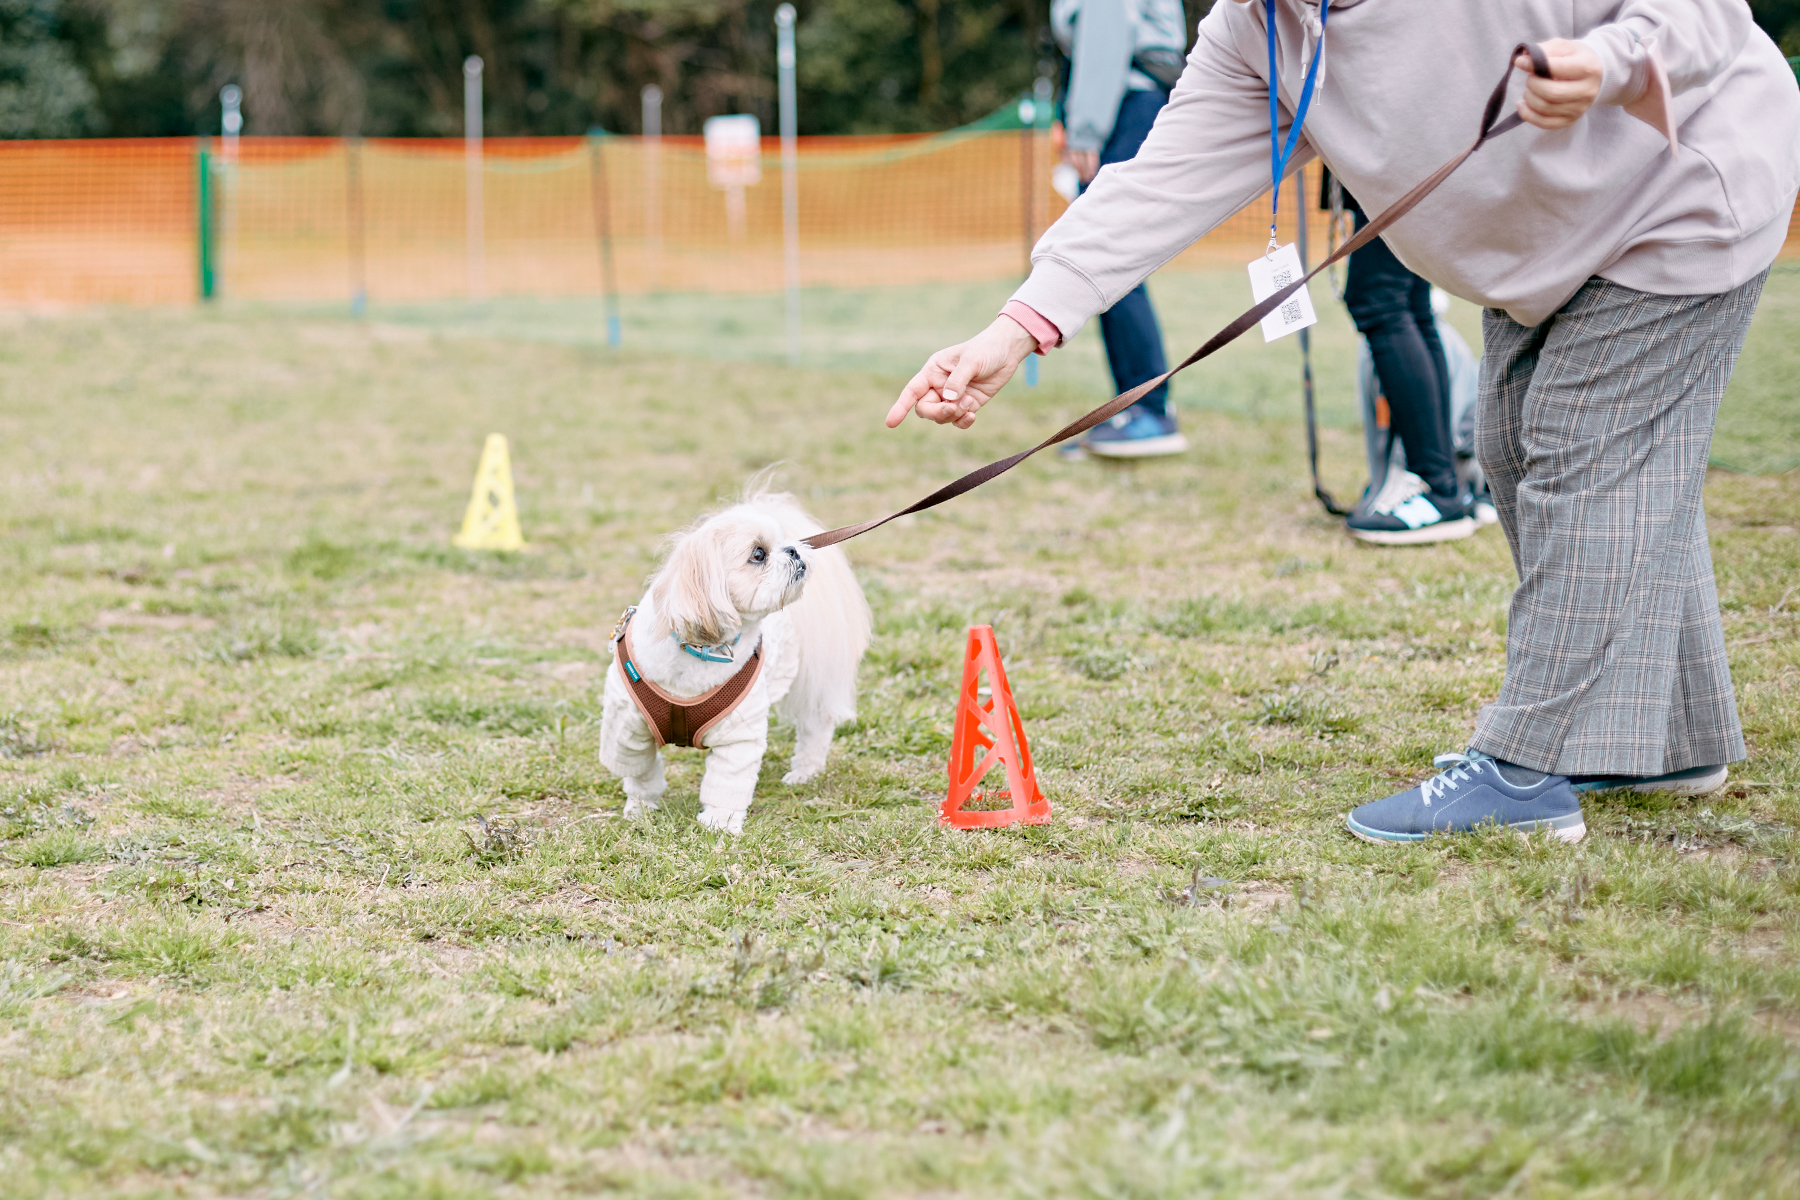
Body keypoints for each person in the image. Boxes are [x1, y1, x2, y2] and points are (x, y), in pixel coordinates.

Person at [886, 1, 1800, 844]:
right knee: (1519, 446)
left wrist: (1612, 61)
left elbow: (1707, 13)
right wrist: (1017, 329)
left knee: (1587, 451)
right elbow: (1153, 186)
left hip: (1686, 188)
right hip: (1545, 247)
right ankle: (1674, 737)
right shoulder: (1256, 29)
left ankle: (1528, 771)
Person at [1051, 0, 1192, 458]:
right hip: (1128, 98)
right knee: (1106, 261)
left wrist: (1086, 128)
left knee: (1111, 257)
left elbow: (1105, 30)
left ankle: (1150, 409)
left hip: (1125, 103)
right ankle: (1133, 408)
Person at [1336, 184, 1476, 544]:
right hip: (1412, 160)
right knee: (1412, 302)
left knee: (1378, 298)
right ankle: (1439, 481)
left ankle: (1436, 485)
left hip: (1397, 159)